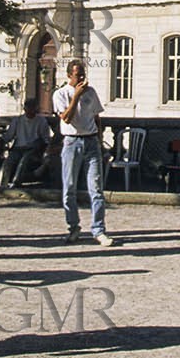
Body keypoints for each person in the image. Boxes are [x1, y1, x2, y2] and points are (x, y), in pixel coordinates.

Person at [53, 60, 118, 246]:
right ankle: (73, 227)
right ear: (69, 75)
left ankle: (98, 229)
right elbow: (66, 118)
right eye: (77, 74)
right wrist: (76, 97)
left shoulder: (91, 92)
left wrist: (99, 140)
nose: (81, 78)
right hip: (71, 142)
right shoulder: (61, 94)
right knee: (69, 188)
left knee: (96, 189)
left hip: (90, 142)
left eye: (82, 74)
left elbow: (97, 117)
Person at [0, 98, 52, 190]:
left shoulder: (41, 121)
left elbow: (45, 138)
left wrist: (44, 148)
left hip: (33, 148)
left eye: (33, 108)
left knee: (24, 161)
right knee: (9, 161)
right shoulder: (17, 120)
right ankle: (1, 184)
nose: (30, 111)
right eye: (28, 108)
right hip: (18, 147)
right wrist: (1, 142)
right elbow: (9, 135)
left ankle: (16, 182)